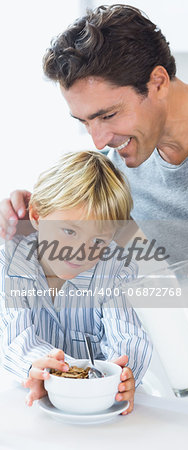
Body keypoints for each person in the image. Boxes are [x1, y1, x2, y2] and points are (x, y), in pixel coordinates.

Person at [1, 5, 188, 420]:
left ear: (157, 82)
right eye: (85, 121)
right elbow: (76, 247)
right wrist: (27, 212)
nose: (100, 138)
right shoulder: (122, 165)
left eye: (108, 114)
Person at [0, 150, 152, 414]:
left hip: (99, 407)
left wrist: (125, 374)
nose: (80, 251)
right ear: (36, 216)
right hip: (30, 405)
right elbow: (15, 338)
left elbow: (129, 336)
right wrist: (53, 371)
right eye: (69, 231)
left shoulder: (113, 270)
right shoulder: (10, 261)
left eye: (98, 241)